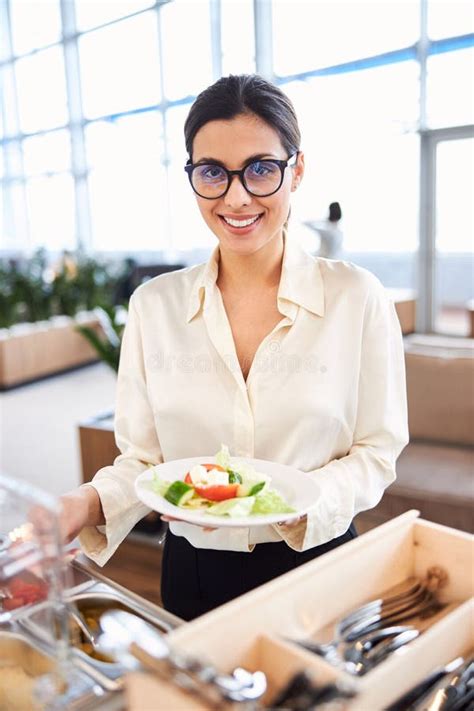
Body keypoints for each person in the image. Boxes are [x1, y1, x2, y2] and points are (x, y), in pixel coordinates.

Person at [58, 74, 408, 622]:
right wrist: (86, 503)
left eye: (262, 169)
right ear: (193, 176)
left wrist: (292, 506)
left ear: (297, 171)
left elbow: (377, 452)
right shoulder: (155, 305)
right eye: (213, 172)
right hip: (194, 571)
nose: (237, 196)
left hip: (319, 561)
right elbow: (145, 462)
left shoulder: (355, 297)